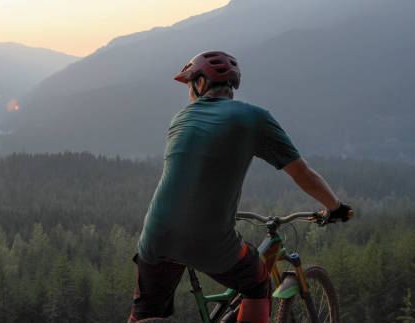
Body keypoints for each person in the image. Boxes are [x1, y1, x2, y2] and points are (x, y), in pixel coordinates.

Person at [127, 51, 353, 323]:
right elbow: (303, 173)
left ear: (200, 84)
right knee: (257, 282)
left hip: (155, 234)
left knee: (146, 314)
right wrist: (335, 207)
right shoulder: (254, 118)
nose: (189, 92)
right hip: (209, 241)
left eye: (189, 85)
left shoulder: (181, 118)